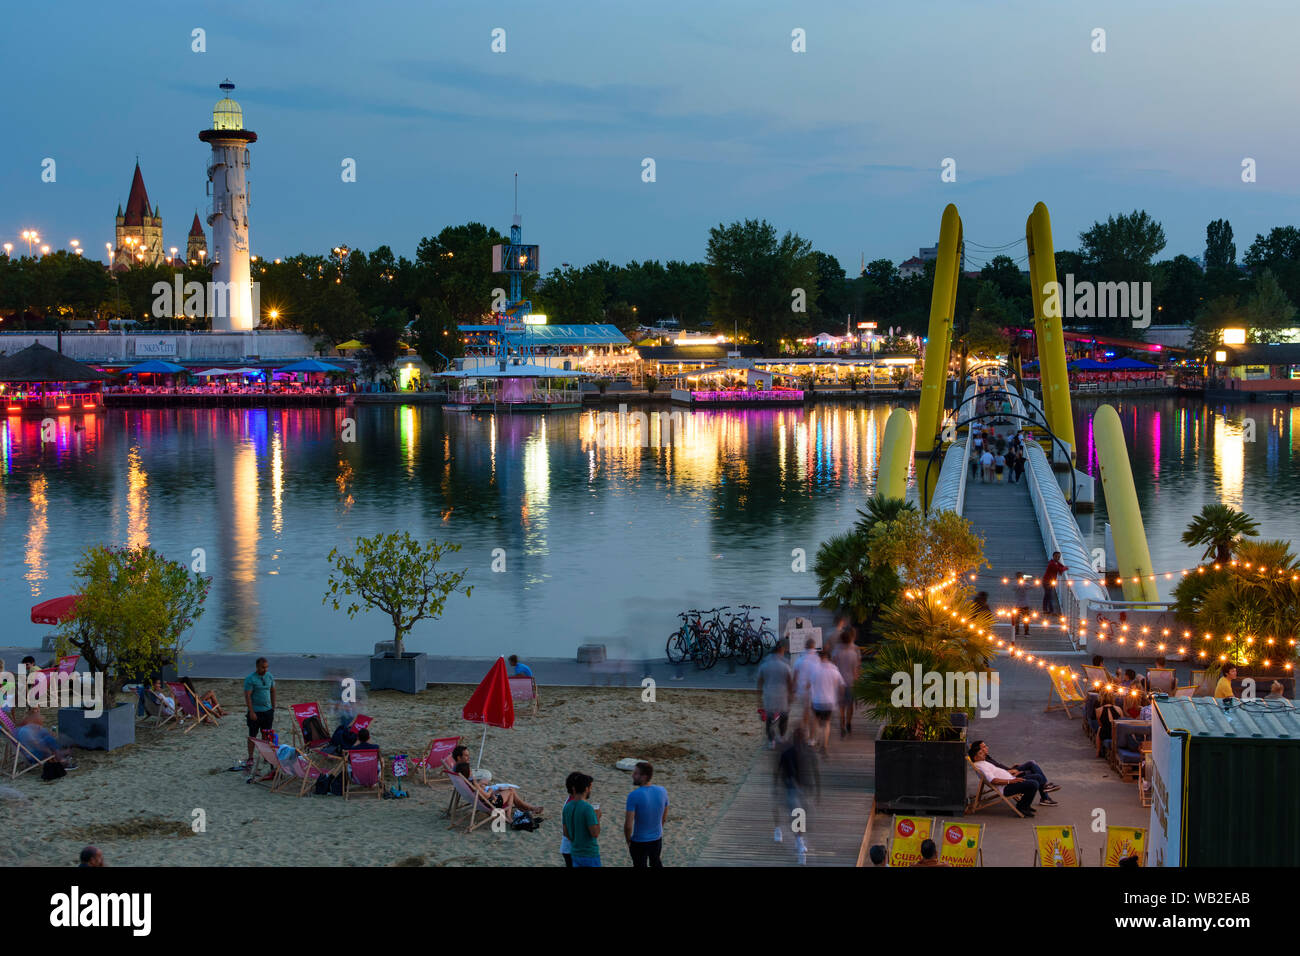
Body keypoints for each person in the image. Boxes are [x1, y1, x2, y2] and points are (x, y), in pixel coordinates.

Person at [772, 736, 819, 864]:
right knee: (796, 816)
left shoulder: (800, 753)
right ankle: (796, 842)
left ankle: (798, 842)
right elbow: (778, 772)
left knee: (797, 816)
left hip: (795, 788)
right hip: (790, 788)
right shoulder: (788, 753)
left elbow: (809, 772)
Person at [453, 756, 545, 818]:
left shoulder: (465, 782)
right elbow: (486, 796)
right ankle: (522, 811)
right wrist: (489, 790)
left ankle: (527, 807)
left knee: (509, 790)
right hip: (492, 803)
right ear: (467, 772)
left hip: (485, 801)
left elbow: (479, 792)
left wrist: (481, 784)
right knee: (511, 791)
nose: (472, 772)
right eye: (470, 770)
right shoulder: (473, 783)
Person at [968, 741, 1043, 816]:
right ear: (975, 758)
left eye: (982, 752)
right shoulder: (981, 766)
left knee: (1038, 777)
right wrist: (1011, 781)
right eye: (980, 753)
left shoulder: (983, 762)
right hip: (1007, 787)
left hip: (1011, 779)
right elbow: (994, 780)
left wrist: (1011, 774)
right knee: (1033, 784)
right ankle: (1022, 807)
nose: (983, 754)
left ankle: (1025, 804)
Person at [624, 761, 669, 867]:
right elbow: (664, 816)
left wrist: (628, 840)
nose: (632, 775)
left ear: (644, 776)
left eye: (635, 773)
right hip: (657, 838)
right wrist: (658, 829)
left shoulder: (633, 796)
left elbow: (628, 825)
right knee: (656, 862)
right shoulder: (662, 791)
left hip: (639, 841)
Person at [801, 648, 845, 751]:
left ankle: (812, 740)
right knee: (827, 723)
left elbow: (807, 686)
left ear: (820, 658)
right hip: (829, 702)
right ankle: (824, 745)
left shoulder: (815, 669)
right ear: (829, 658)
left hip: (816, 701)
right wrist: (839, 697)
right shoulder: (834, 669)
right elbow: (842, 686)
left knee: (815, 720)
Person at [756, 639, 794, 747]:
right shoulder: (785, 664)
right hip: (782, 695)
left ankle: (771, 740)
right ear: (781, 650)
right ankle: (781, 736)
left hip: (769, 694)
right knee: (784, 717)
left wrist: (759, 698)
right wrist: (791, 695)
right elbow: (790, 681)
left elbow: (759, 681)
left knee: (769, 718)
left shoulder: (765, 663)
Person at [243, 657, 276, 767]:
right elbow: (247, 696)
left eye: (266, 667)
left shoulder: (270, 676)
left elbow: (273, 691)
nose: (265, 669)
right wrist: (251, 712)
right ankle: (250, 757)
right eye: (263, 667)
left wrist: (273, 708)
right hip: (256, 712)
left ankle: (265, 756)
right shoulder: (250, 679)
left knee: (266, 735)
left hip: (268, 711)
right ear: (257, 667)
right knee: (252, 736)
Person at [562, 773, 601, 867]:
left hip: (575, 853)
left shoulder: (567, 807)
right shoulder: (588, 808)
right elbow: (595, 833)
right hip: (589, 854)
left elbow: (566, 833)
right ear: (587, 789)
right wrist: (597, 818)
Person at [831, 630, 860, 738]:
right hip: (850, 682)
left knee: (841, 706)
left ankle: (842, 724)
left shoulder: (836, 652)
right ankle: (848, 723)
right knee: (850, 705)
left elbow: (833, 666)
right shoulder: (853, 654)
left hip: (839, 683)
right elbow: (855, 671)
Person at [560, 772, 579, 866]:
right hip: (571, 849)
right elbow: (567, 831)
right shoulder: (571, 805)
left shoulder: (573, 802)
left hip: (569, 848)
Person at [1042, 551, 1067, 616]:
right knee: (1049, 596)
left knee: (1047, 596)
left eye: (1059, 557)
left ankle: (1045, 610)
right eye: (1056, 556)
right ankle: (1051, 611)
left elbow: (1061, 566)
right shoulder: (1052, 563)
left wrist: (1063, 567)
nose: (1057, 558)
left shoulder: (1056, 562)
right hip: (1047, 582)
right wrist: (1065, 568)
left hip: (1048, 581)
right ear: (1053, 556)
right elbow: (1059, 569)